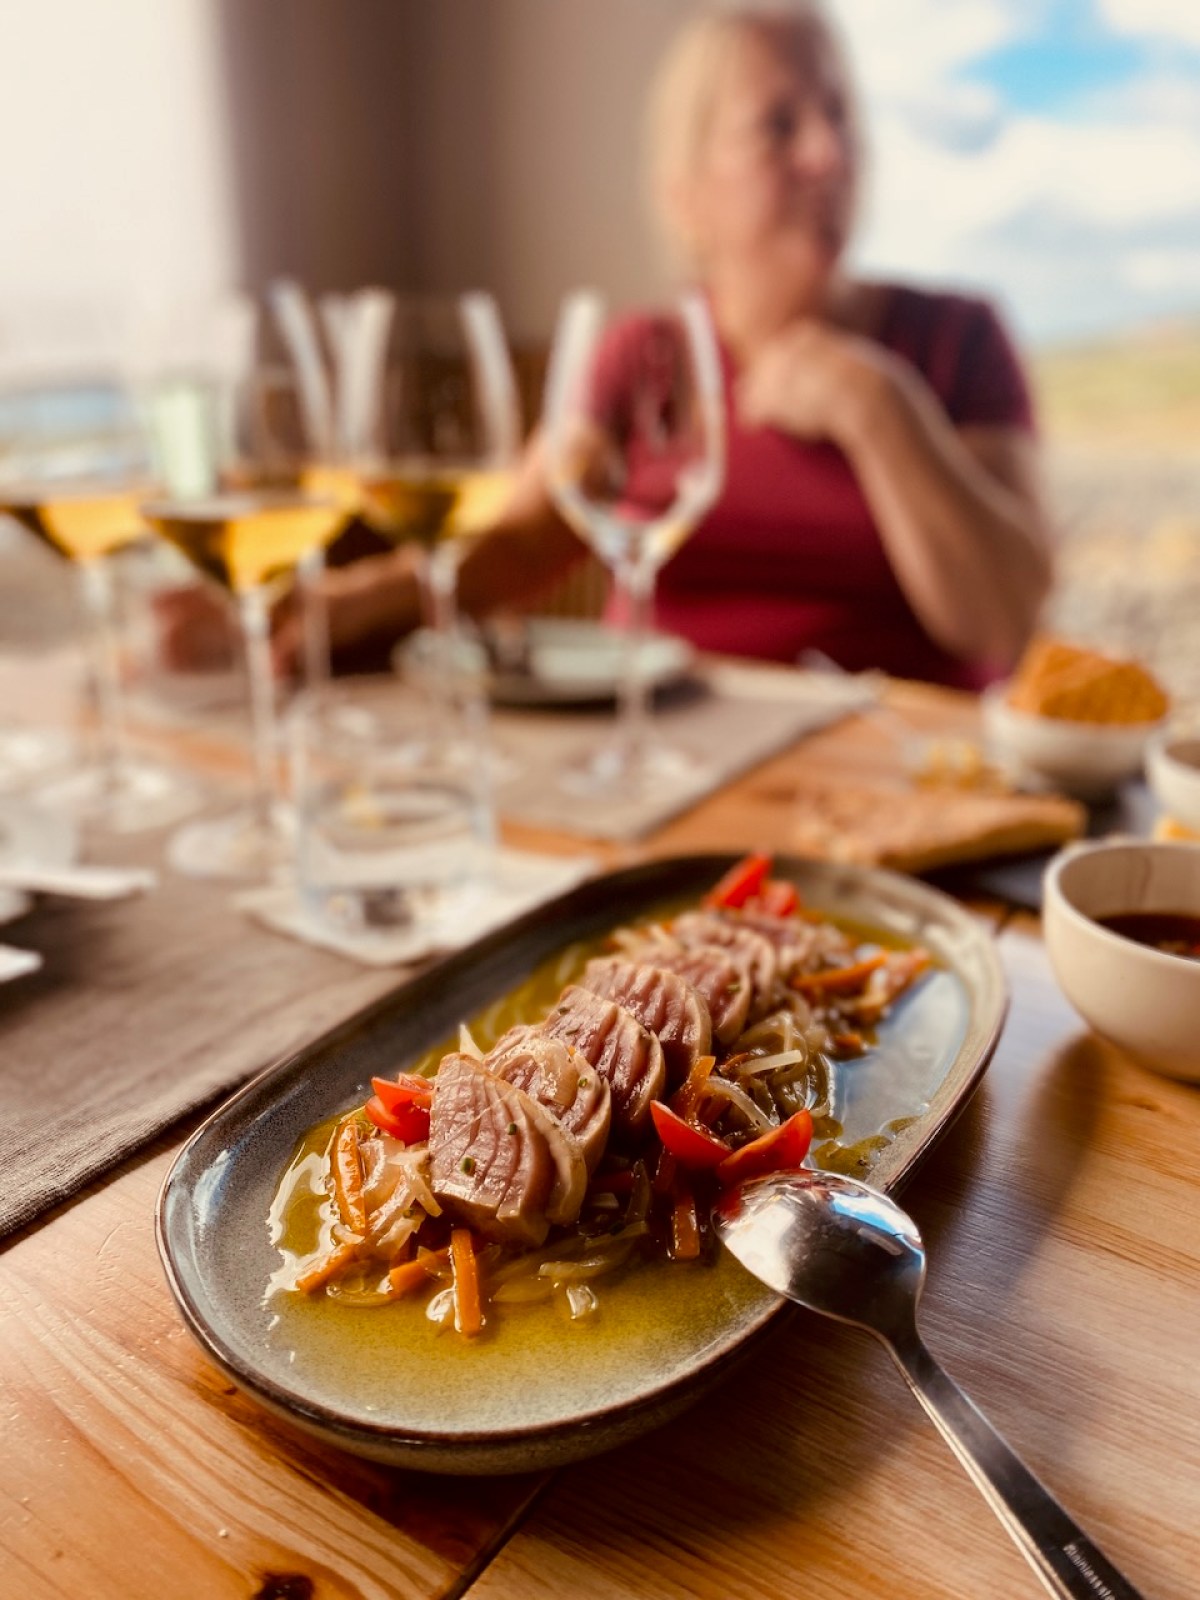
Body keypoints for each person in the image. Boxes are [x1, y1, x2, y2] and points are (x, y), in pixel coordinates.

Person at [272, 0, 1052, 688]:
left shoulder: (959, 339)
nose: (828, 153)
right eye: (779, 126)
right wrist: (312, 609)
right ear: (686, 191)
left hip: (909, 779)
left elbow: (1003, 623)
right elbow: (511, 548)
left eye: (840, 115)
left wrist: (879, 408)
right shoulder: (643, 355)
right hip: (674, 762)